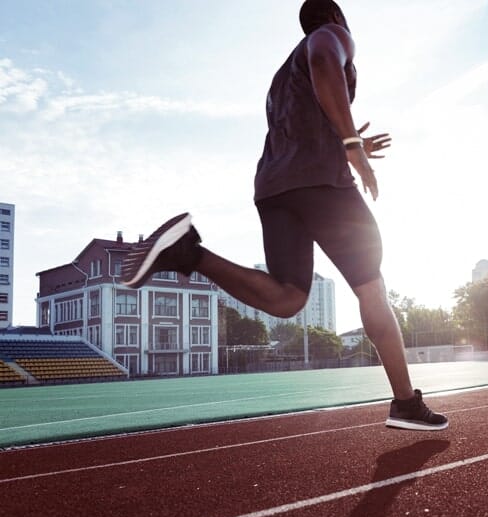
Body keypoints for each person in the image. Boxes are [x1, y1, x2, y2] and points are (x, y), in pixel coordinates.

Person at [121, 0, 447, 431]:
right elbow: (324, 58)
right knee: (372, 289)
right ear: (335, 18)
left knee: (288, 296)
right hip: (323, 186)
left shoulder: (280, 80)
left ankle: (188, 253)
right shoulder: (328, 37)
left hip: (274, 188)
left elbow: (303, 124)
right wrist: (351, 147)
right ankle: (405, 403)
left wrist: (346, 142)